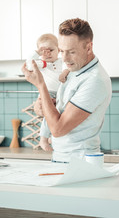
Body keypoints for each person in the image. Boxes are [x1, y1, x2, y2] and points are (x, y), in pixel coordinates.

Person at [21, 18, 112, 162]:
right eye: (62, 51)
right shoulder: (73, 70)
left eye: (71, 52)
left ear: (88, 47)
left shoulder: (95, 80)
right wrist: (42, 107)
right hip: (61, 157)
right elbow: (54, 110)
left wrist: (41, 85)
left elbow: (57, 129)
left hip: (79, 161)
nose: (64, 58)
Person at [29, 33, 69, 151]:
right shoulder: (42, 64)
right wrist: (37, 53)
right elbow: (29, 64)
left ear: (59, 50)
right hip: (47, 93)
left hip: (61, 94)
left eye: (51, 50)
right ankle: (43, 139)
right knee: (49, 115)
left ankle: (52, 136)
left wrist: (64, 73)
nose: (47, 53)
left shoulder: (62, 62)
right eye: (43, 51)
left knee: (60, 115)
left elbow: (67, 68)